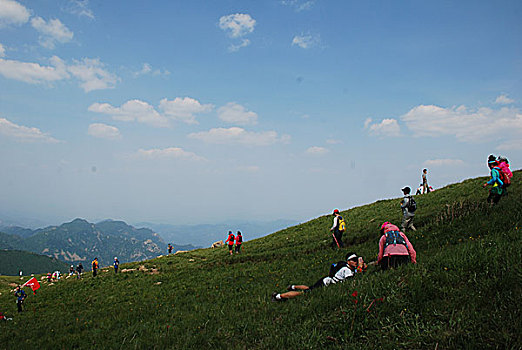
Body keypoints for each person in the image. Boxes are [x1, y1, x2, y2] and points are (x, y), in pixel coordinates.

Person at [271, 253, 365, 301]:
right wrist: (361, 268)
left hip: (326, 280)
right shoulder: (347, 270)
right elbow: (351, 280)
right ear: (348, 261)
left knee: (310, 288)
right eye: (353, 260)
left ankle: (293, 286)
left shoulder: (346, 266)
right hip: (326, 284)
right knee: (304, 293)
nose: (355, 261)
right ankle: (278, 296)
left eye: (356, 260)